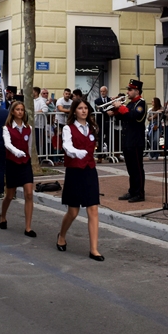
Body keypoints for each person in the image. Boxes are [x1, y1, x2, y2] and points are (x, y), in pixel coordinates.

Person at [57, 98, 103, 260]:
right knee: (73, 211)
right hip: (74, 171)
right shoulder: (68, 129)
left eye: (86, 108)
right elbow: (67, 147)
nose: (83, 111)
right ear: (74, 111)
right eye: (80, 108)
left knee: (93, 209)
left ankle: (94, 249)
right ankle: (61, 235)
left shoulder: (92, 128)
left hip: (90, 170)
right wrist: (78, 153)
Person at [0, 100, 36, 236]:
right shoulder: (7, 128)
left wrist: (28, 157)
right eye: (18, 109)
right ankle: (2, 215)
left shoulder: (28, 128)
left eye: (22, 110)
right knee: (9, 195)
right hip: (12, 163)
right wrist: (16, 152)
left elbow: (29, 144)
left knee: (29, 193)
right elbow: (7, 144)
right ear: (13, 112)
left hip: (25, 163)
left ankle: (28, 227)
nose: (20, 112)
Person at [108, 79, 148, 203]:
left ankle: (140, 193)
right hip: (127, 140)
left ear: (137, 91)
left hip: (136, 140)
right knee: (130, 168)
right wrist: (115, 108)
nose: (127, 92)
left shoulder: (141, 103)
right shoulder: (130, 104)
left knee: (137, 168)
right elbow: (121, 117)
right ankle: (132, 191)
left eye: (130, 90)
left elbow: (135, 117)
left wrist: (121, 107)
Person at [94, 86, 112, 152]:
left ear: (106, 92)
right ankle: (99, 155)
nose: (102, 93)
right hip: (100, 122)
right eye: (101, 91)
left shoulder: (110, 100)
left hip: (108, 122)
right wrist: (106, 112)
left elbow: (112, 108)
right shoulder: (97, 100)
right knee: (100, 139)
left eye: (104, 91)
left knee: (109, 138)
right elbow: (99, 109)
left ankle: (110, 153)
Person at [147, 96, 163, 161]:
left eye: (153, 101)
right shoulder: (150, 110)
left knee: (155, 140)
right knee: (151, 140)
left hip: (158, 125)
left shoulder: (160, 108)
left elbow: (163, 112)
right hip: (151, 125)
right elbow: (148, 118)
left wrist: (159, 111)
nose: (152, 102)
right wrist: (155, 115)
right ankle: (152, 154)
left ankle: (155, 154)